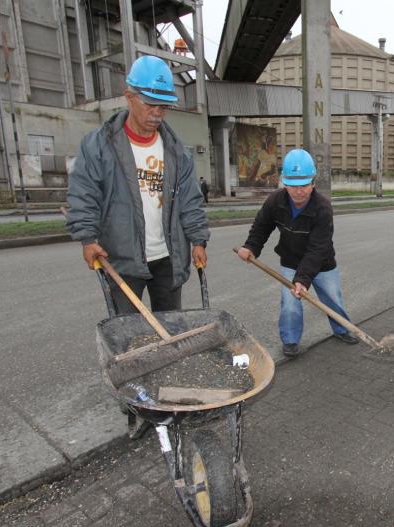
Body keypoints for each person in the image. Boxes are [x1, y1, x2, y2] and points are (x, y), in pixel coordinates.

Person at [66, 55, 209, 315]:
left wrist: (198, 240)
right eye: (150, 104)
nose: (157, 113)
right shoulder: (99, 146)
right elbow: (83, 194)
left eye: (163, 107)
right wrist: (87, 238)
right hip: (122, 258)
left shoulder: (177, 152)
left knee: (170, 327)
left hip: (169, 259)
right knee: (129, 334)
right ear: (129, 96)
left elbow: (190, 200)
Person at [236, 149, 359, 358]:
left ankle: (342, 329)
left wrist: (302, 279)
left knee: (332, 300)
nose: (298, 191)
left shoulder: (322, 208)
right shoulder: (275, 201)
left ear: (313, 183)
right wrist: (250, 247)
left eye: (304, 185)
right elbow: (261, 227)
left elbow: (317, 249)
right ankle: (291, 340)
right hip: (291, 260)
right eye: (293, 185)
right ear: (284, 182)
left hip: (322, 263)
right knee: (290, 303)